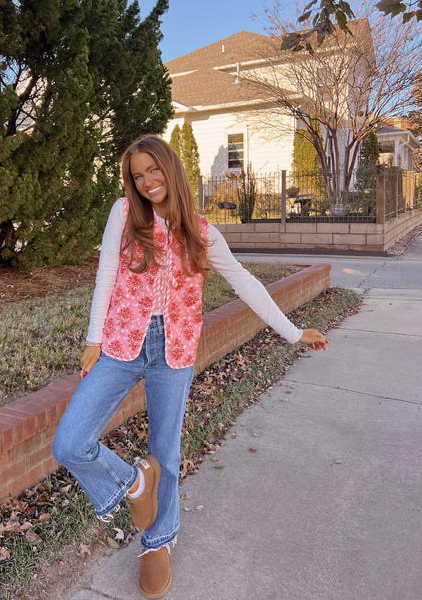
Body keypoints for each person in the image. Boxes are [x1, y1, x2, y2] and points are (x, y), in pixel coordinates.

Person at [52, 134, 327, 599]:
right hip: (121, 345)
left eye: (153, 171)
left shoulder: (202, 231)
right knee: (70, 443)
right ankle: (137, 483)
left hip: (174, 350)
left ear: (170, 170)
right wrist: (93, 339)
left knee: (167, 450)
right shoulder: (123, 214)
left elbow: (245, 282)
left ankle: (157, 543)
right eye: (138, 176)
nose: (146, 182)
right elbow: (105, 276)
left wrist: (293, 331)